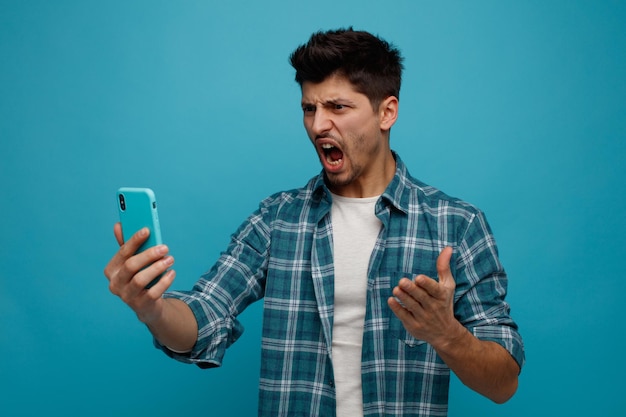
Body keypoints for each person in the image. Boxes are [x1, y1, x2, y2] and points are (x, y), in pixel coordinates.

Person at [104, 28, 524, 417]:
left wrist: (447, 334)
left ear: (387, 112)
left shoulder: (457, 225)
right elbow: (205, 317)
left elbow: (503, 382)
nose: (319, 124)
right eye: (309, 108)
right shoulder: (277, 220)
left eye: (337, 107)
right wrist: (153, 309)